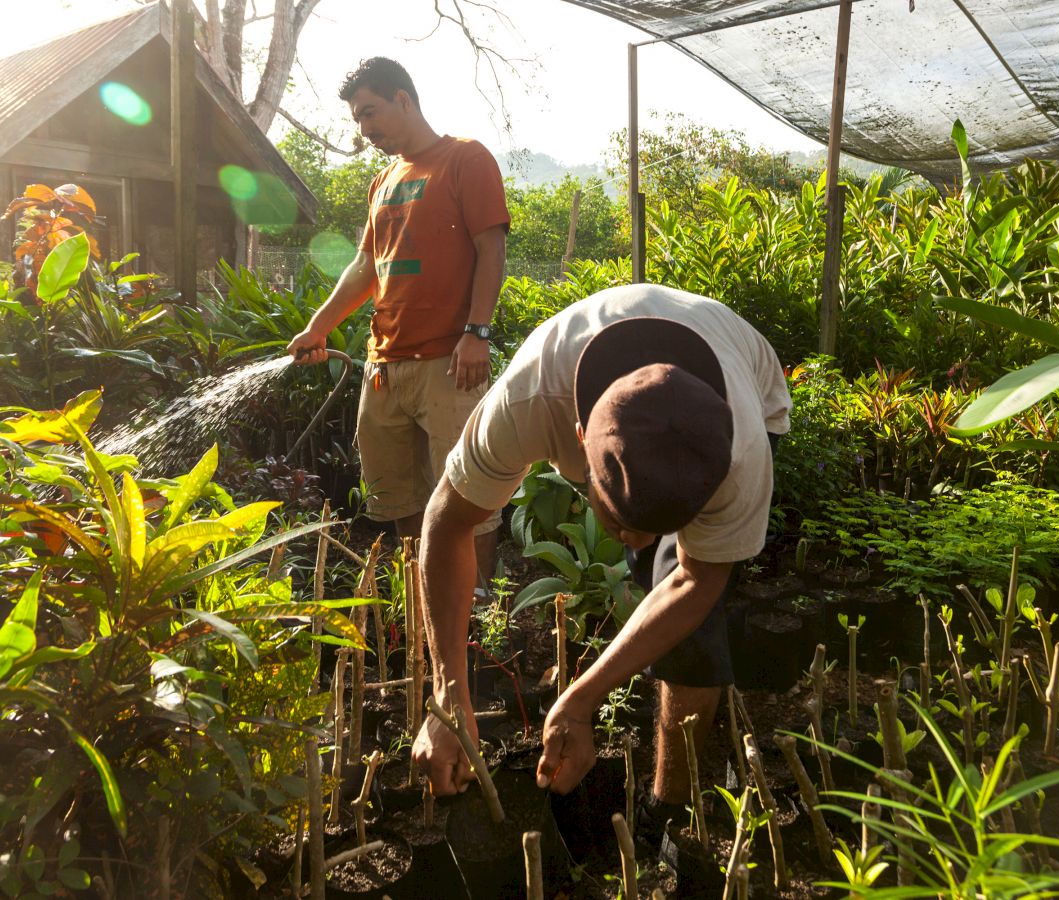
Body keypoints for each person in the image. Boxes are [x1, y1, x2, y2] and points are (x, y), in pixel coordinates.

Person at [412, 282, 792, 837]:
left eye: (652, 529)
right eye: (616, 524)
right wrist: (449, 698)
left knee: (693, 627)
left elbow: (697, 580)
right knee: (658, 581)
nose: (631, 543)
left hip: (747, 375)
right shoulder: (529, 401)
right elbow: (446, 522)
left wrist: (580, 698)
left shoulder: (741, 453)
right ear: (577, 437)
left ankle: (670, 814)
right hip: (582, 371)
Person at [288, 57, 509, 579]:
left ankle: (476, 613)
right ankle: (423, 597)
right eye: (357, 121)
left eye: (370, 112)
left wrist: (478, 333)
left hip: (449, 363)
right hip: (383, 368)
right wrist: (319, 326)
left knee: (469, 497)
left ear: (403, 99)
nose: (365, 130)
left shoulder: (465, 159)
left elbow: (490, 248)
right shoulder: (383, 180)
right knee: (398, 496)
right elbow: (367, 265)